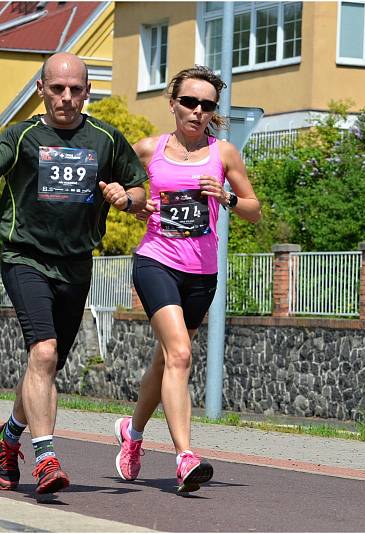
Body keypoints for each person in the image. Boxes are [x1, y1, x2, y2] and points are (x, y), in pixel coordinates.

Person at [0, 52, 148, 495]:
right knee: (42, 353)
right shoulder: (22, 135)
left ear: (87, 92)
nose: (66, 97)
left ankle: (7, 438)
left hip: (76, 265)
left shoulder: (105, 138)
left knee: (46, 366)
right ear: (41, 89)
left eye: (75, 89)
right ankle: (46, 459)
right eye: (57, 88)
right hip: (25, 258)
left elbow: (139, 191)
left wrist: (126, 196)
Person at [113, 65, 261, 494]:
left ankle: (133, 432)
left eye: (208, 105)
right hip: (156, 262)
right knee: (179, 355)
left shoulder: (225, 154)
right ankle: (185, 457)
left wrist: (227, 197)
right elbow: (121, 186)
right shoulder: (148, 149)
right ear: (173, 102)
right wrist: (132, 202)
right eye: (190, 102)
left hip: (201, 275)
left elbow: (254, 208)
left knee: (165, 361)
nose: (198, 111)